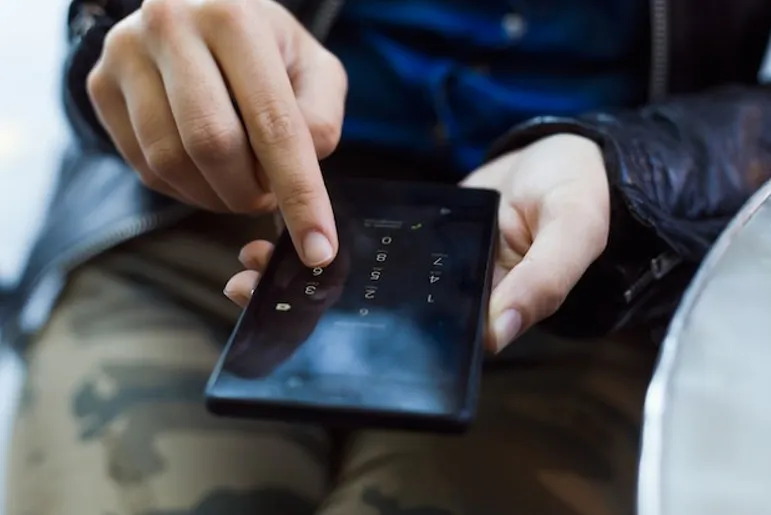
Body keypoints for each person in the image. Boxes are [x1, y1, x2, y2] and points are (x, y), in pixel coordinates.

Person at [4, 0, 770, 513]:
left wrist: (626, 169)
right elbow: (101, 44)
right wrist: (147, 42)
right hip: (203, 228)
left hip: (579, 275)